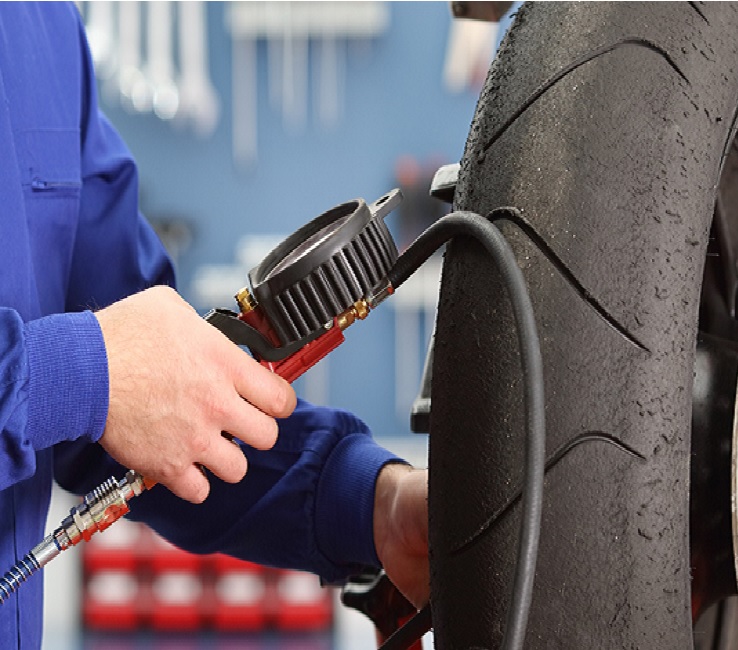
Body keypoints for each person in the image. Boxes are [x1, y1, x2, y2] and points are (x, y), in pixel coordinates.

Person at [0, 4, 428, 646]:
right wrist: (79, 375)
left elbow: (154, 402)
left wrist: (374, 503)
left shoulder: (40, 25)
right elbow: (99, 373)